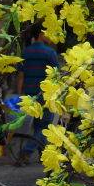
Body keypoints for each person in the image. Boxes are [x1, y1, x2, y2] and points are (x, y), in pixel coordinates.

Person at [15, 27, 62, 155]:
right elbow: (57, 75)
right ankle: (26, 151)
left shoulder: (25, 52)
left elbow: (21, 75)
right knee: (45, 125)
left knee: (37, 124)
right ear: (41, 34)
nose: (50, 37)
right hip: (45, 94)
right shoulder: (50, 53)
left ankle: (42, 152)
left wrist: (20, 95)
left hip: (29, 94)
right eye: (48, 34)